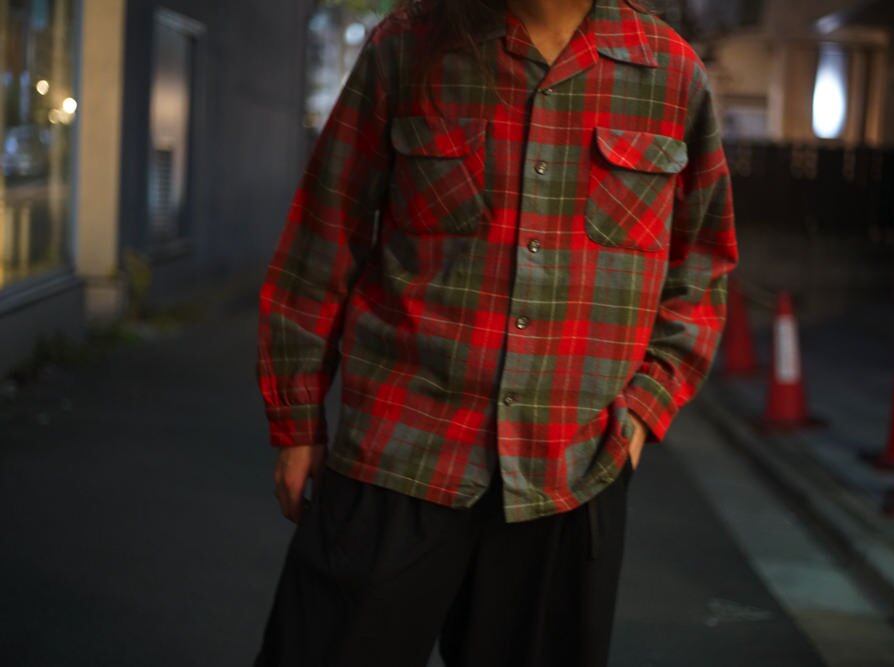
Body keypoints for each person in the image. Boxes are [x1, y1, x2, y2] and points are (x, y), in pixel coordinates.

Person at [253, 0, 738, 664]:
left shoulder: (670, 74)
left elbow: (701, 265)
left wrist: (644, 412)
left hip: (572, 470)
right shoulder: (408, 47)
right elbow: (324, 234)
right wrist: (297, 419)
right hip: (397, 451)